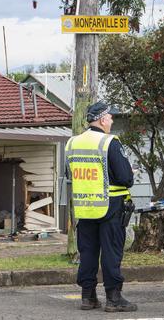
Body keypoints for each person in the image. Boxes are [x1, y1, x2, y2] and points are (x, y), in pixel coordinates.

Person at [65, 101, 136, 312]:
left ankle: (88, 297)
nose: (112, 120)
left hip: (84, 208)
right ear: (103, 119)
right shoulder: (109, 142)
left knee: (87, 252)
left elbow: (70, 175)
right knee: (111, 252)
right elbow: (125, 178)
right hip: (110, 206)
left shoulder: (72, 143)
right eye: (110, 117)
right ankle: (113, 298)